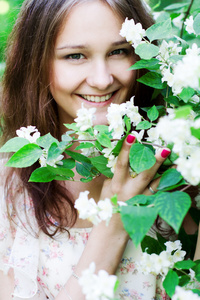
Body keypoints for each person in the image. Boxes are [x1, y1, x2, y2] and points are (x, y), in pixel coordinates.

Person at [0, 0, 199, 299]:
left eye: (119, 51)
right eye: (75, 55)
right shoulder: (7, 196)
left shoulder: (184, 170)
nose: (102, 79)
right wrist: (114, 226)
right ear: (36, 66)